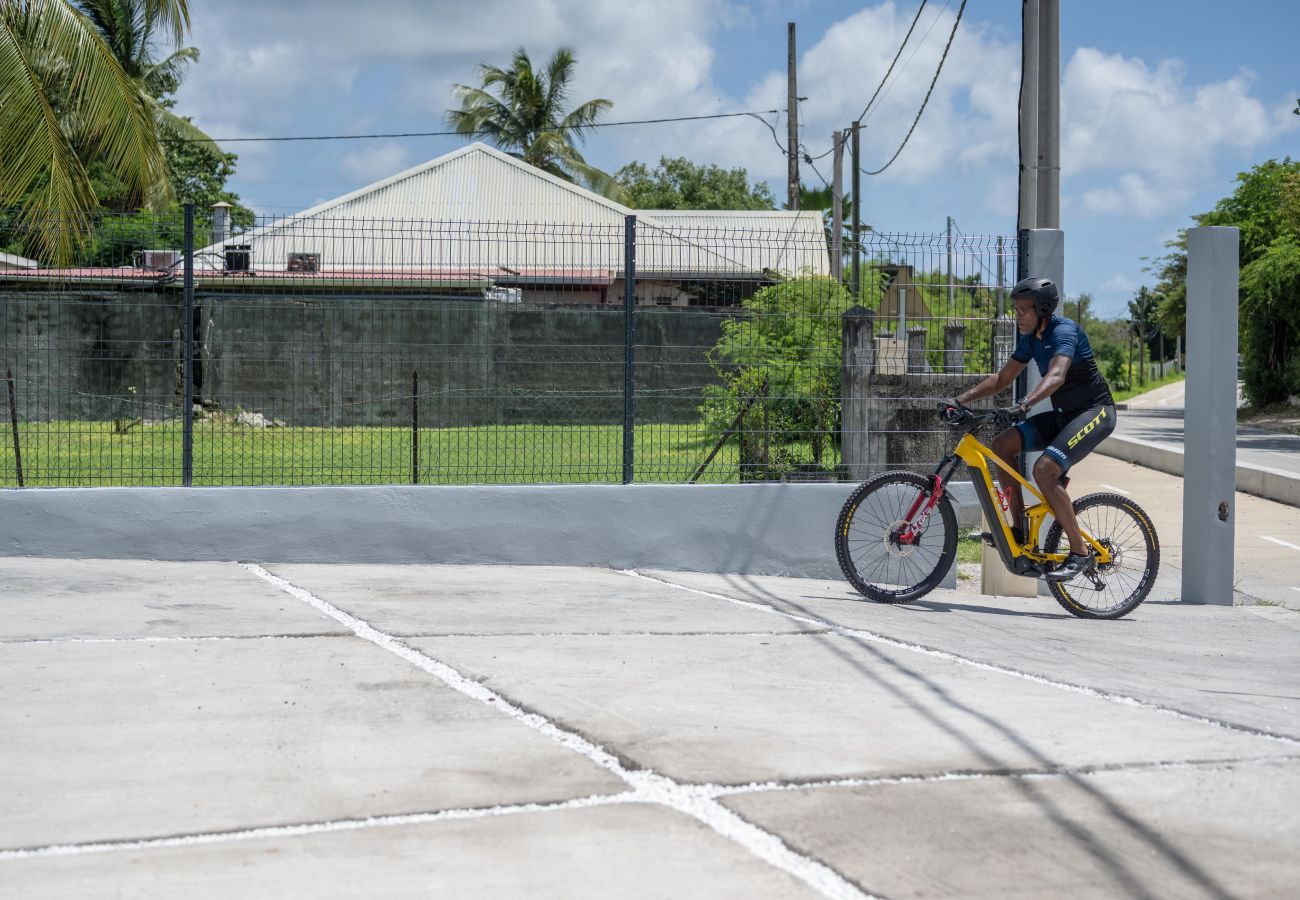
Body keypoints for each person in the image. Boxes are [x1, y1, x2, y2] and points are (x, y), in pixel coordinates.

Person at [950, 276, 1116, 582]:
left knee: (1044, 470)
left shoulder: (1065, 331)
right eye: (1016, 309)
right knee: (1001, 447)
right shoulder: (1030, 340)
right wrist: (960, 400)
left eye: (1024, 309)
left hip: (1094, 412)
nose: (1019, 315)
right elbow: (1002, 378)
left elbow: (1057, 375)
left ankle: (1080, 553)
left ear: (1043, 308)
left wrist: (1023, 405)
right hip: (1064, 415)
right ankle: (1020, 531)